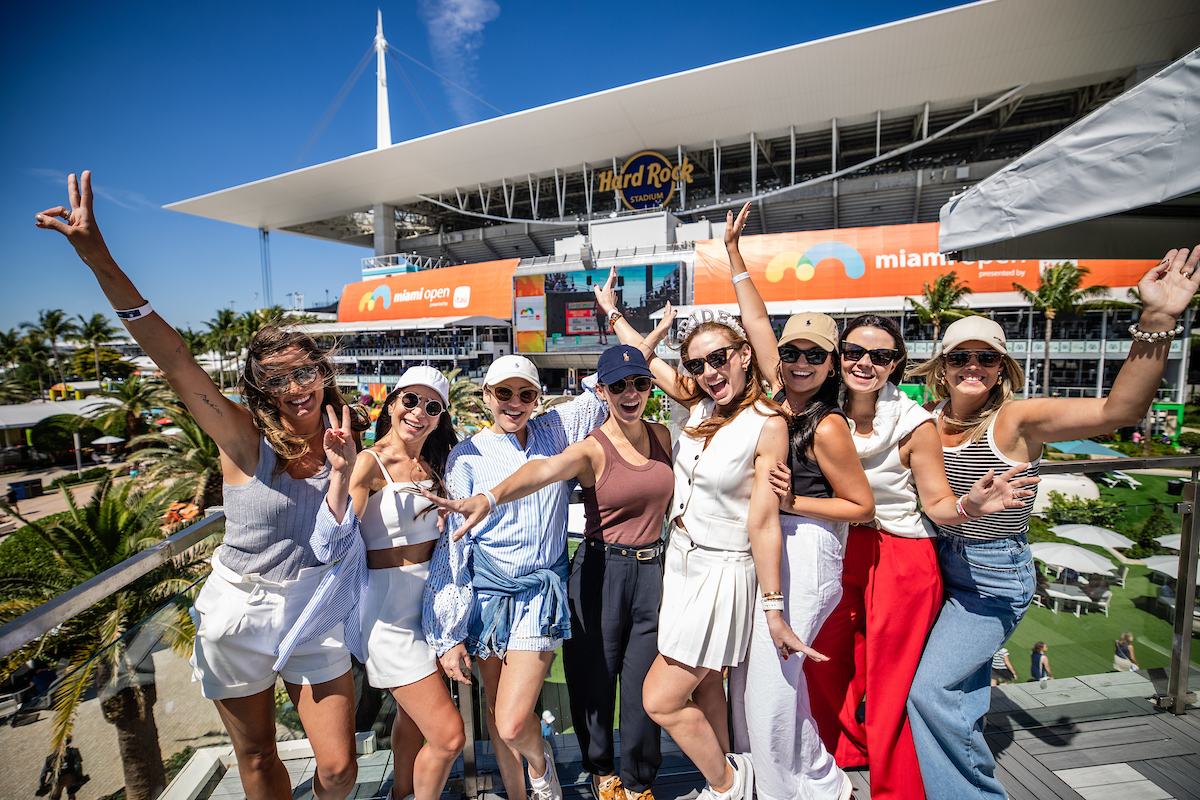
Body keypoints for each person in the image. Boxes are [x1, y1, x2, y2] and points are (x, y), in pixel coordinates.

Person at [36, 171, 367, 800]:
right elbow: (175, 358)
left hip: (314, 606)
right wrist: (98, 256)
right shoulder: (245, 440)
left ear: (322, 374)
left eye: (304, 373)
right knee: (261, 761)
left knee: (337, 768)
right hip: (241, 606)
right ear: (257, 390)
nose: (294, 388)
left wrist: (348, 468)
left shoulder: (344, 437)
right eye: (276, 379)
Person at [906, 244, 1200, 800]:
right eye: (959, 357)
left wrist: (1157, 320)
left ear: (1002, 370)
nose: (972, 367)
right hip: (936, 571)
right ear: (941, 367)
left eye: (986, 359)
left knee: (930, 691)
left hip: (991, 579)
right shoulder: (923, 420)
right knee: (959, 694)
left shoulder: (1015, 420)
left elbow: (1119, 413)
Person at [788, 311, 1035, 800]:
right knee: (822, 658)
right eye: (854, 351)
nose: (865, 363)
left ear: (896, 363)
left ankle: (898, 789)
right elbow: (759, 342)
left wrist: (972, 505)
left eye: (880, 356)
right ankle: (836, 763)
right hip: (841, 547)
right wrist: (735, 259)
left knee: (891, 680)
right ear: (838, 356)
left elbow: (939, 503)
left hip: (901, 555)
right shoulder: (820, 405)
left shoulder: (913, 422)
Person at [595, 271, 819, 800]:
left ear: (744, 354)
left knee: (662, 700)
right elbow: (643, 362)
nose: (709, 371)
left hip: (723, 571)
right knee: (710, 693)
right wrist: (613, 313)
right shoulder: (698, 404)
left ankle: (730, 785)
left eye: (720, 358)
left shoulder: (769, 422)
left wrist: (773, 607)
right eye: (697, 364)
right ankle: (729, 781)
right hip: (681, 564)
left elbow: (763, 521)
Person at [425, 345, 674, 800]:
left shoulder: (557, 429)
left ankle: (541, 769)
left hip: (541, 592)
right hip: (487, 594)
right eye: (504, 392)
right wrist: (448, 632)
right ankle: (527, 794)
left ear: (539, 399)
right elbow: (453, 551)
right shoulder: (465, 455)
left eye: (525, 394)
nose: (514, 403)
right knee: (499, 712)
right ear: (486, 396)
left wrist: (637, 330)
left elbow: (614, 385)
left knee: (512, 719)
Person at [722, 203, 874, 800]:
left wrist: (794, 505)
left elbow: (860, 507)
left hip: (808, 553)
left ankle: (792, 788)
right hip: (773, 547)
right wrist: (736, 258)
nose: (801, 363)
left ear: (831, 363)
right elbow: (757, 322)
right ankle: (803, 778)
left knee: (772, 681)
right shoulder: (780, 396)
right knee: (755, 675)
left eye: (816, 355)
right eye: (793, 353)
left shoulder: (828, 424)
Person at [294, 367, 466, 800]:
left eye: (432, 407)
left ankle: (402, 793)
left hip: (432, 609)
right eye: (410, 400)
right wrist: (339, 472)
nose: (418, 412)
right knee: (448, 737)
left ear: (440, 416)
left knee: (413, 721)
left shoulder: (438, 463)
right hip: (389, 619)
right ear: (391, 403)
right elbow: (329, 542)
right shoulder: (369, 462)